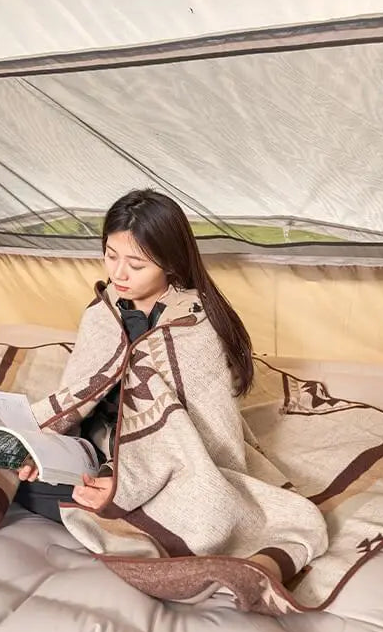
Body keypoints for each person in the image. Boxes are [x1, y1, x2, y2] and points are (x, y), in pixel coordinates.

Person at [14, 188, 254, 522]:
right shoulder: (103, 310)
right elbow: (76, 396)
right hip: (98, 441)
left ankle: (117, 503)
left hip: (161, 451)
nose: (119, 274)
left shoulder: (193, 325)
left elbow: (202, 431)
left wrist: (123, 478)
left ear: (170, 264)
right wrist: (45, 448)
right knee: (18, 474)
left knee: (202, 510)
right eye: (111, 256)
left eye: (136, 264)